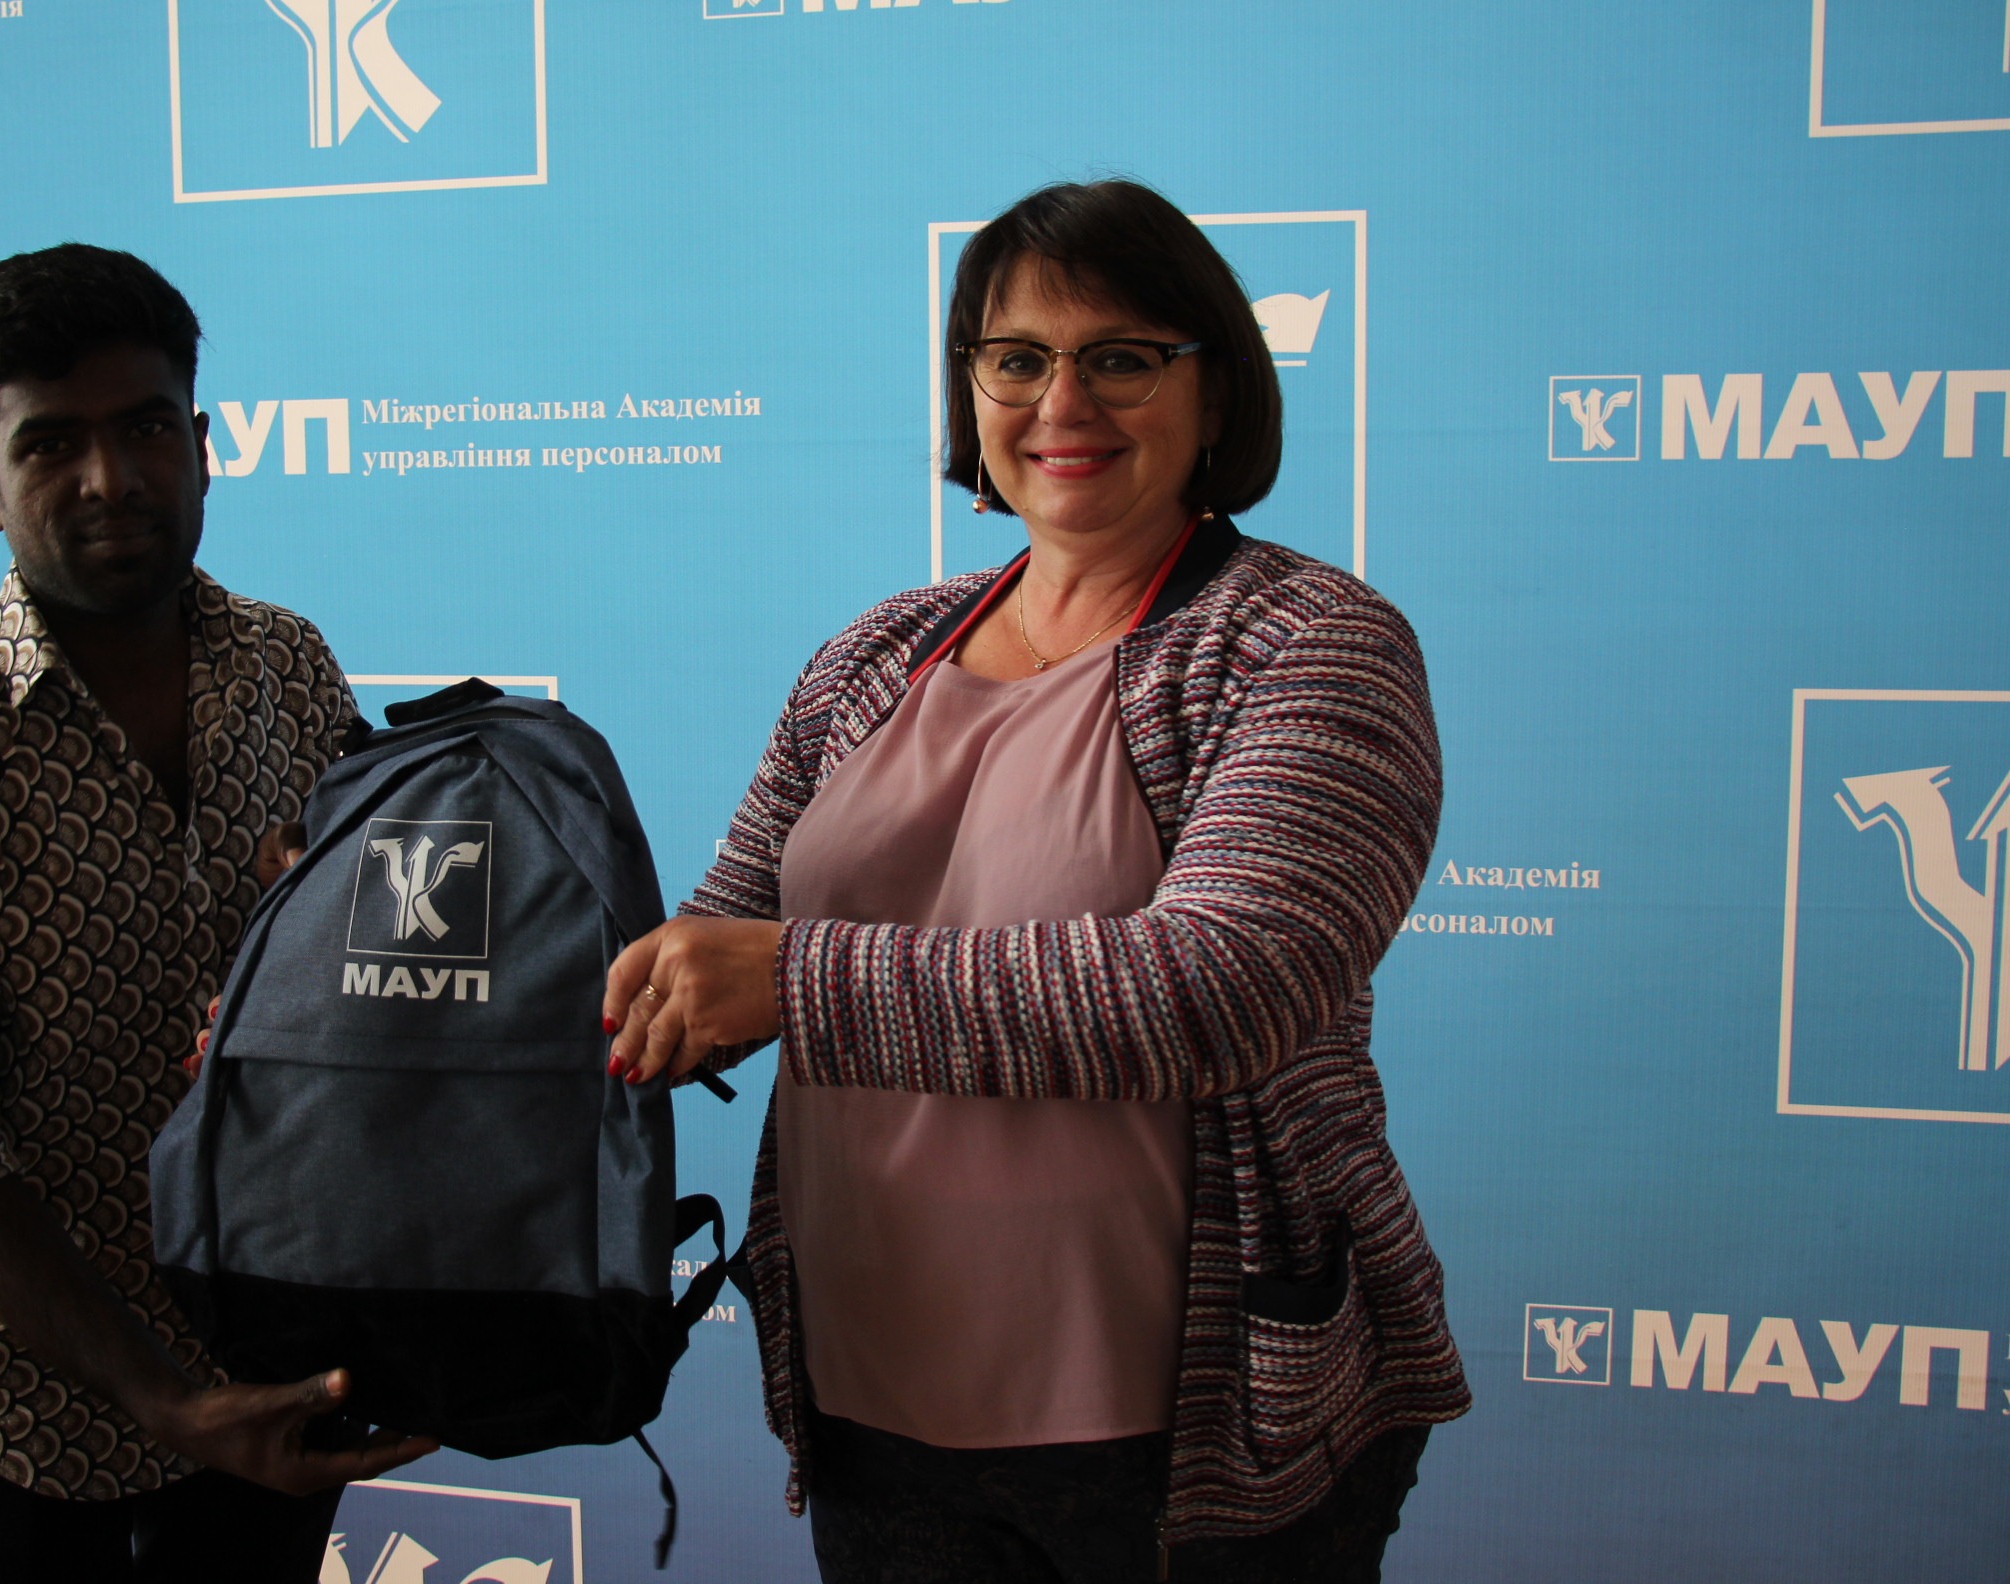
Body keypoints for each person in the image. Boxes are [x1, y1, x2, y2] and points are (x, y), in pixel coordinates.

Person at [603, 181, 1470, 1582]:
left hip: (1191, 1432)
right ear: (973, 391)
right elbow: (718, 946)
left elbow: (1220, 990)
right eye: (1017, 359)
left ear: (1215, 390)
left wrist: (793, 982)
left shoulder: (1308, 641)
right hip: (875, 1393)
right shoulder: (874, 653)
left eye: (1121, 357)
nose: (1063, 402)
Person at [0, 244, 432, 1584]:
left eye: (146, 427)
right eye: (51, 444)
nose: (110, 479)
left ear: (202, 445)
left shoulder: (288, 665)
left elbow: (378, 965)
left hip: (273, 1355)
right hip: (28, 1411)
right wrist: (169, 1403)